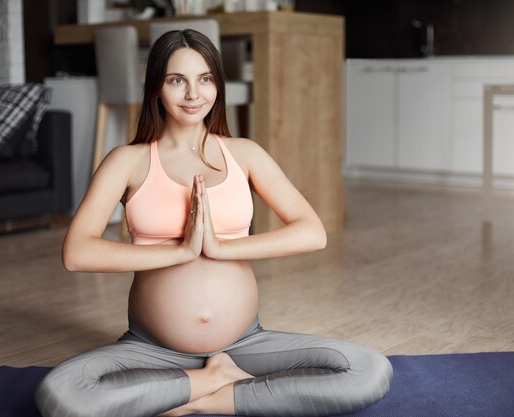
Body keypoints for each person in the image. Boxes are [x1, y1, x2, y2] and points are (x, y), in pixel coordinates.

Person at [35, 29, 392, 417]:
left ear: (218, 86)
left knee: (369, 370)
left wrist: (220, 248)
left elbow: (312, 231)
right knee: (62, 394)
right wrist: (181, 250)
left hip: (245, 345)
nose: (193, 94)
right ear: (156, 86)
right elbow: (77, 252)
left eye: (205, 79)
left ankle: (196, 399)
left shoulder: (245, 154)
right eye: (177, 80)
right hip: (151, 349)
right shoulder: (128, 160)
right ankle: (213, 381)